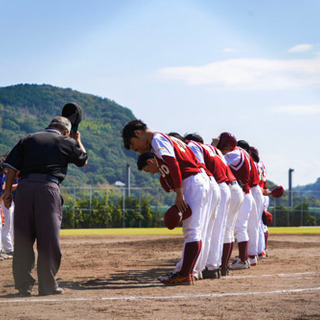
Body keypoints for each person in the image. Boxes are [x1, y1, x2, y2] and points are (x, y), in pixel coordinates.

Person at [3, 116, 88, 296]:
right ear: (66, 131)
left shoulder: (28, 139)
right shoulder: (66, 141)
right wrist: (77, 140)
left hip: (24, 189)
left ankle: (24, 286)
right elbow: (83, 161)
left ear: (49, 126)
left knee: (23, 238)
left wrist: (8, 191)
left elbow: (10, 167)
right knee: (48, 239)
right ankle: (47, 285)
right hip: (48, 189)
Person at [122, 120, 211, 286]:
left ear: (138, 133)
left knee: (192, 231)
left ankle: (185, 274)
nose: (139, 151)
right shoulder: (165, 139)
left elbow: (173, 163)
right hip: (198, 180)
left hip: (192, 181)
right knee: (196, 230)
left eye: (135, 145)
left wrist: (179, 193)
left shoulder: (157, 140)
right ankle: (188, 272)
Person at [0, 165, 18, 260]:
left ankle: (11, 248)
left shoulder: (14, 174)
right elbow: (5, 187)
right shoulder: (5, 175)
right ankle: (8, 248)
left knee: (11, 225)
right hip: (4, 200)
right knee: (6, 225)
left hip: (9, 200)